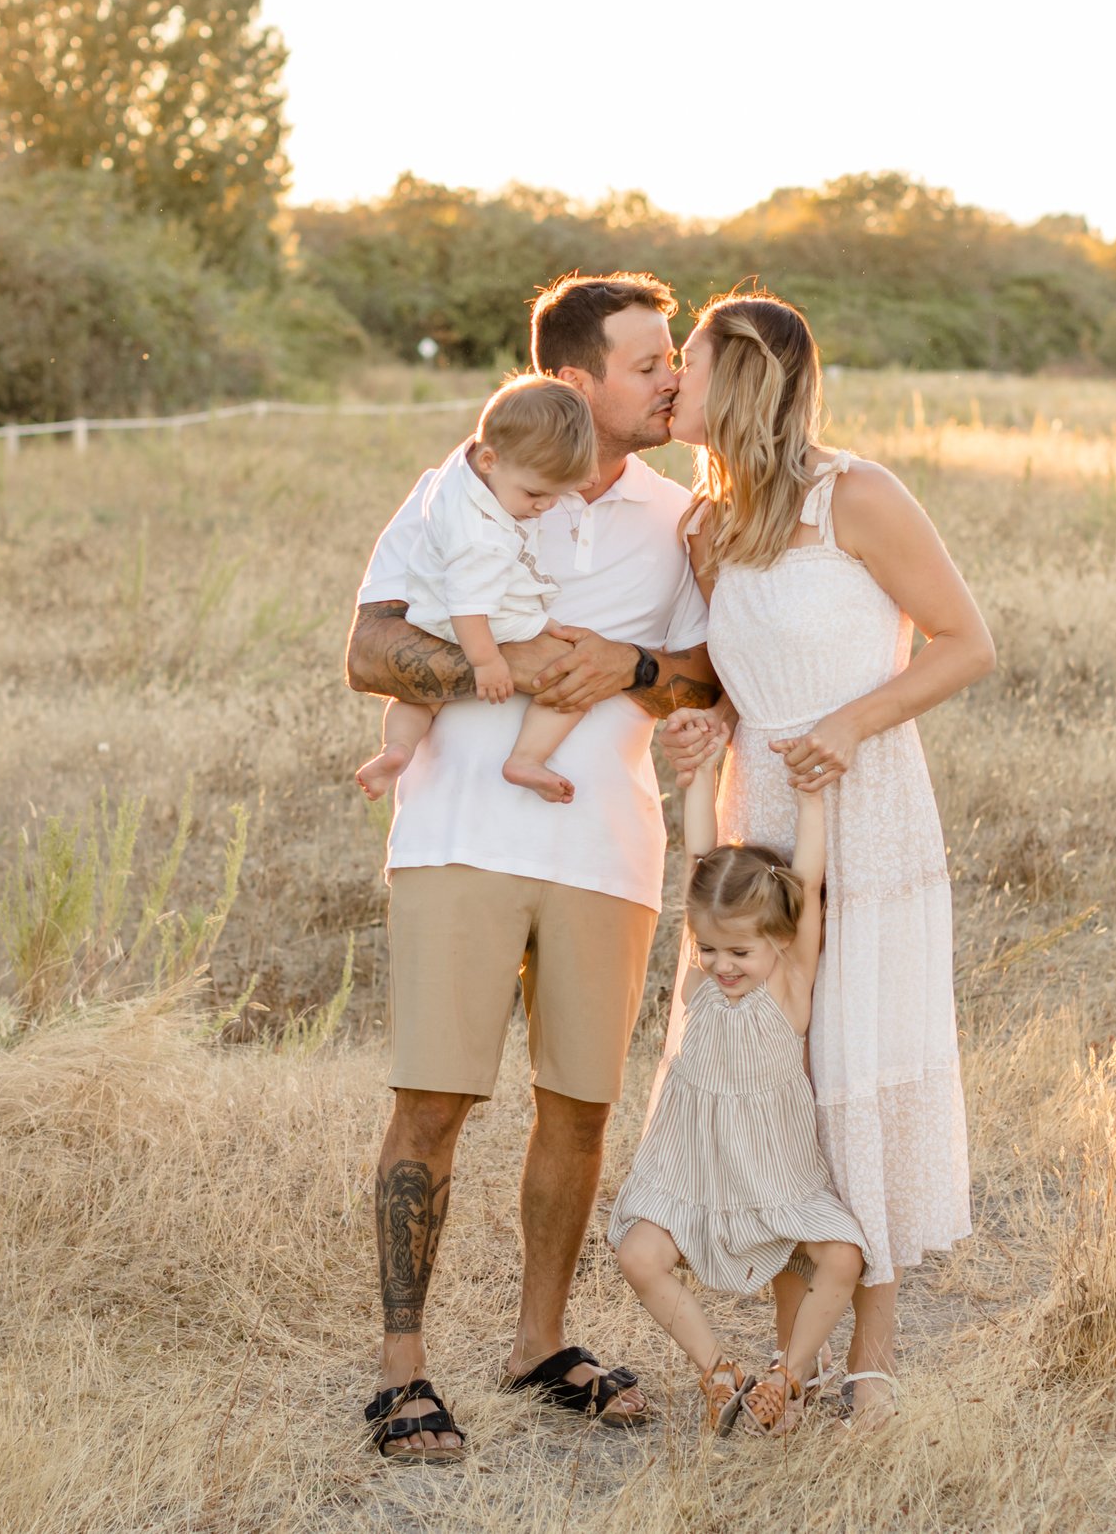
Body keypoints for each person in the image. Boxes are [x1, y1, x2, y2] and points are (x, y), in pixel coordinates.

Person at [343, 273, 723, 1463]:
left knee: (579, 1105)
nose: (671, 377)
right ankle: (402, 1372)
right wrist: (502, 668)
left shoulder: (679, 514)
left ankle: (538, 1342)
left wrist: (622, 664)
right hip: (459, 831)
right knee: (435, 1099)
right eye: (648, 360)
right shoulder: (457, 483)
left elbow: (708, 674)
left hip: (606, 842)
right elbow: (366, 647)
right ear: (575, 379)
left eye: (674, 360)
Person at [659, 288, 995, 1431]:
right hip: (762, 807)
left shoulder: (857, 494)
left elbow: (966, 641)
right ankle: (787, 1352)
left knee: (857, 1061)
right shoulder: (702, 526)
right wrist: (698, 732)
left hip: (870, 803)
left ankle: (876, 1355)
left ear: (738, 373)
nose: (668, 381)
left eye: (685, 362)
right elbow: (719, 678)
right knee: (774, 1073)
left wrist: (852, 724)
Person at [608, 753, 866, 1437]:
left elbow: (806, 884)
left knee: (843, 1254)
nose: (721, 966)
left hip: (774, 1179)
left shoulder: (787, 983)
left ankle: (788, 1375)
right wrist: (693, 778)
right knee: (637, 1252)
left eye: (739, 953)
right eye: (710, 948)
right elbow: (698, 856)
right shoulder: (702, 976)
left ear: (777, 942)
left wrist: (812, 801)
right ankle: (719, 1367)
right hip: (695, 1175)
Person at [354, 375, 600, 805]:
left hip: (428, 609)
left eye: (556, 494)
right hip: (477, 619)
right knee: (573, 679)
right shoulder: (481, 539)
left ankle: (397, 749)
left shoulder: (466, 463)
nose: (544, 507)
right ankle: (526, 758)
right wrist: (487, 662)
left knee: (416, 696)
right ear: (489, 460)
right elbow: (469, 608)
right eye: (536, 494)